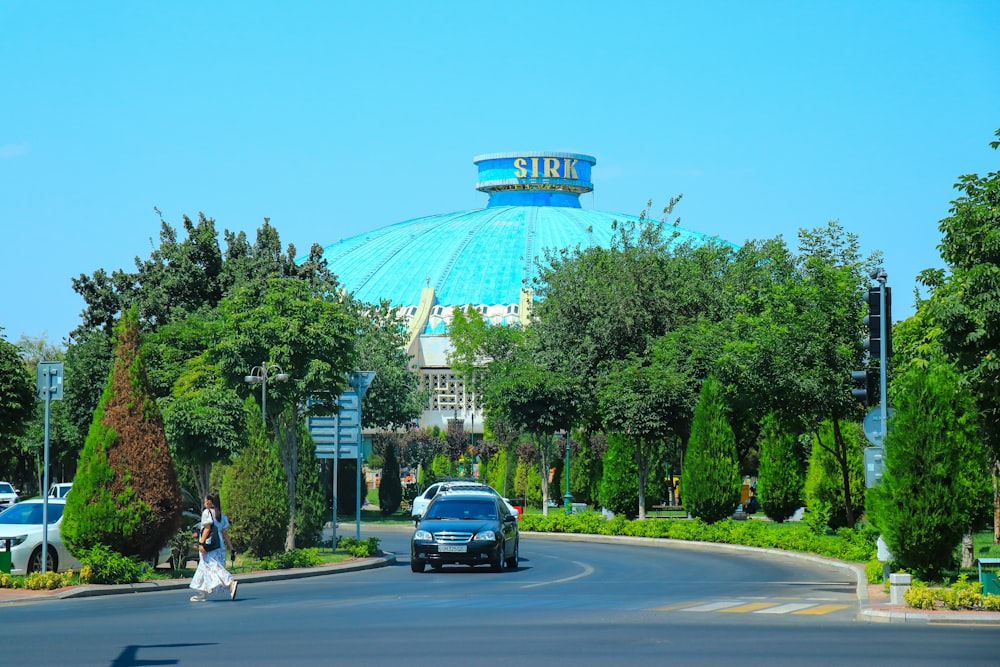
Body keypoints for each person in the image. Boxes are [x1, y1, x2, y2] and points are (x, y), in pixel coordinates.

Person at [189, 493, 238, 602]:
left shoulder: (207, 513)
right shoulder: (221, 515)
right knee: (203, 567)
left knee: (214, 567)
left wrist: (200, 544)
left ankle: (230, 582)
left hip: (209, 546)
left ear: (210, 502)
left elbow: (206, 529)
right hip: (219, 546)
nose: (204, 502)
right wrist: (231, 548)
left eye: (206, 500)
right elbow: (224, 534)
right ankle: (201, 593)